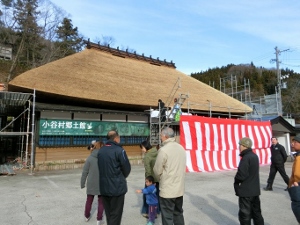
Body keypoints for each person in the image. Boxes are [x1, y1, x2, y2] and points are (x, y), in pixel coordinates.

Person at [153, 127, 186, 225]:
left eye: (161, 136)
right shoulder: (181, 148)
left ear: (165, 136)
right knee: (178, 213)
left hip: (167, 189)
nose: (160, 138)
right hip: (179, 188)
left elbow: (157, 170)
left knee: (167, 216)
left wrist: (160, 179)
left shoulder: (163, 150)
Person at [97, 130, 131, 225]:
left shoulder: (101, 151)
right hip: (117, 188)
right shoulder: (120, 150)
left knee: (109, 214)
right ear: (116, 138)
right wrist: (120, 177)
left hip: (104, 187)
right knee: (116, 215)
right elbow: (127, 169)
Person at [234, 137, 264, 225]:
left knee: (245, 215)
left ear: (244, 146)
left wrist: (236, 182)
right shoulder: (254, 156)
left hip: (246, 191)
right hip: (255, 190)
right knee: (257, 214)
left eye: (240, 145)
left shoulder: (246, 157)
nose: (239, 147)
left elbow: (241, 175)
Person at [80, 141, 105, 225]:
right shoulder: (105, 158)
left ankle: (86, 216)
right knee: (101, 202)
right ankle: (99, 219)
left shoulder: (90, 158)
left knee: (89, 200)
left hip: (91, 183)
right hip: (102, 183)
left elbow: (85, 172)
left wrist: (82, 183)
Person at [139, 140, 160, 217]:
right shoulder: (157, 152)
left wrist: (148, 181)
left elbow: (148, 170)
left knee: (147, 195)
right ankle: (157, 211)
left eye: (142, 148)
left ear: (145, 147)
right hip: (158, 178)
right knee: (156, 195)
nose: (142, 150)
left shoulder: (147, 156)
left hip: (151, 179)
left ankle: (147, 212)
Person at [288, 134, 300, 224]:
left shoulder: (299, 157)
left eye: (295, 142)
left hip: (298, 186)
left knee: (297, 206)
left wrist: (296, 183)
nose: (293, 144)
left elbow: (297, 174)